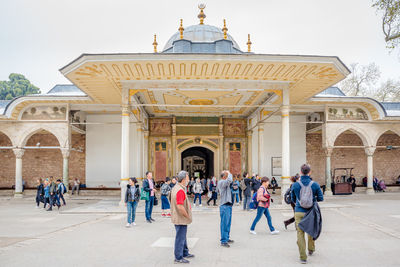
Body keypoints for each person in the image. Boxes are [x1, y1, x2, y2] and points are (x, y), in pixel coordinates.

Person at [291, 164, 324, 264]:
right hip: (310, 212)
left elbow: (292, 199)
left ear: (301, 172)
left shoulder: (295, 185)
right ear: (309, 172)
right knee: (310, 229)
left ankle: (303, 257)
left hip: (299, 211)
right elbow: (321, 198)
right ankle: (311, 249)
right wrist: (312, 200)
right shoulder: (315, 184)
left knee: (300, 233)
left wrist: (299, 202)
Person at [170, 170, 194, 264]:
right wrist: (187, 216)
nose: (189, 179)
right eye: (188, 177)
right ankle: (178, 257)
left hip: (178, 216)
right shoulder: (179, 190)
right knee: (180, 237)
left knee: (182, 236)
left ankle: (185, 252)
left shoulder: (177, 187)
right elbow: (180, 206)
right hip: (180, 217)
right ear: (184, 179)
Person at [217, 170, 234, 248]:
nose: (228, 176)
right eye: (227, 175)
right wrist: (229, 172)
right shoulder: (221, 182)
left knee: (228, 223)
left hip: (229, 205)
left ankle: (227, 238)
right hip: (224, 206)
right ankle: (223, 241)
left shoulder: (225, 182)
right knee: (224, 224)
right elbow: (229, 180)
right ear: (224, 176)